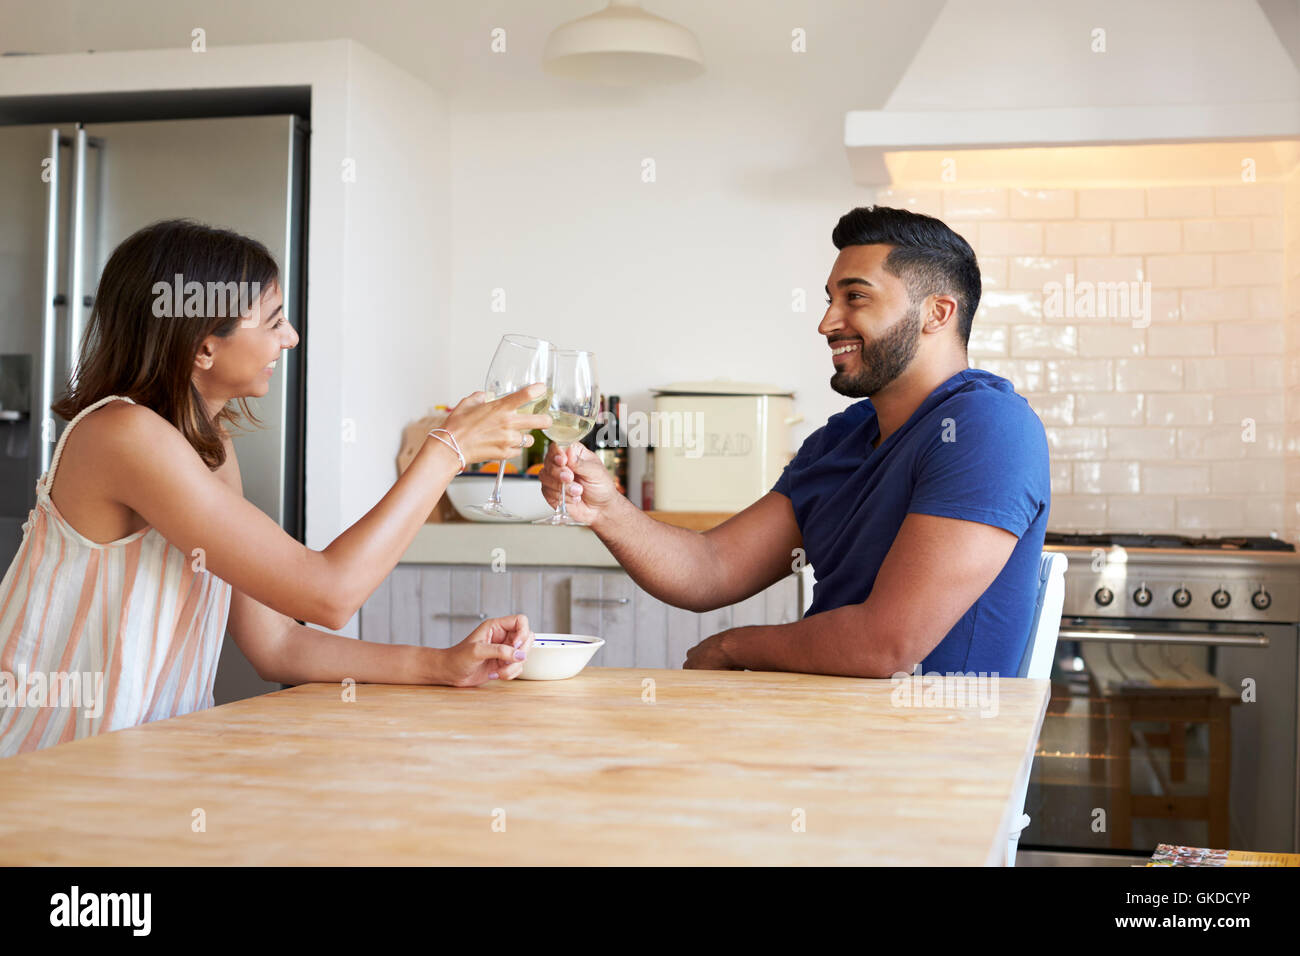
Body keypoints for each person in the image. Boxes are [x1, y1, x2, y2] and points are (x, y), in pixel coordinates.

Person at [0, 219, 550, 757]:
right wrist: (445, 450)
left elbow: (277, 643)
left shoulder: (205, 446)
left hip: (140, 769)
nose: (290, 338)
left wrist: (442, 664)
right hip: (47, 769)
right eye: (273, 321)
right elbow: (329, 593)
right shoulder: (122, 433)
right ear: (203, 348)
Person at [541, 205, 1050, 679]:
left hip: (934, 756)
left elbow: (886, 645)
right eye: (831, 299)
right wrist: (605, 508)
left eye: (855, 297)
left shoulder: (987, 427)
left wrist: (731, 647)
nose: (827, 322)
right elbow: (711, 570)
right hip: (833, 731)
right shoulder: (842, 438)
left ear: (936, 313)